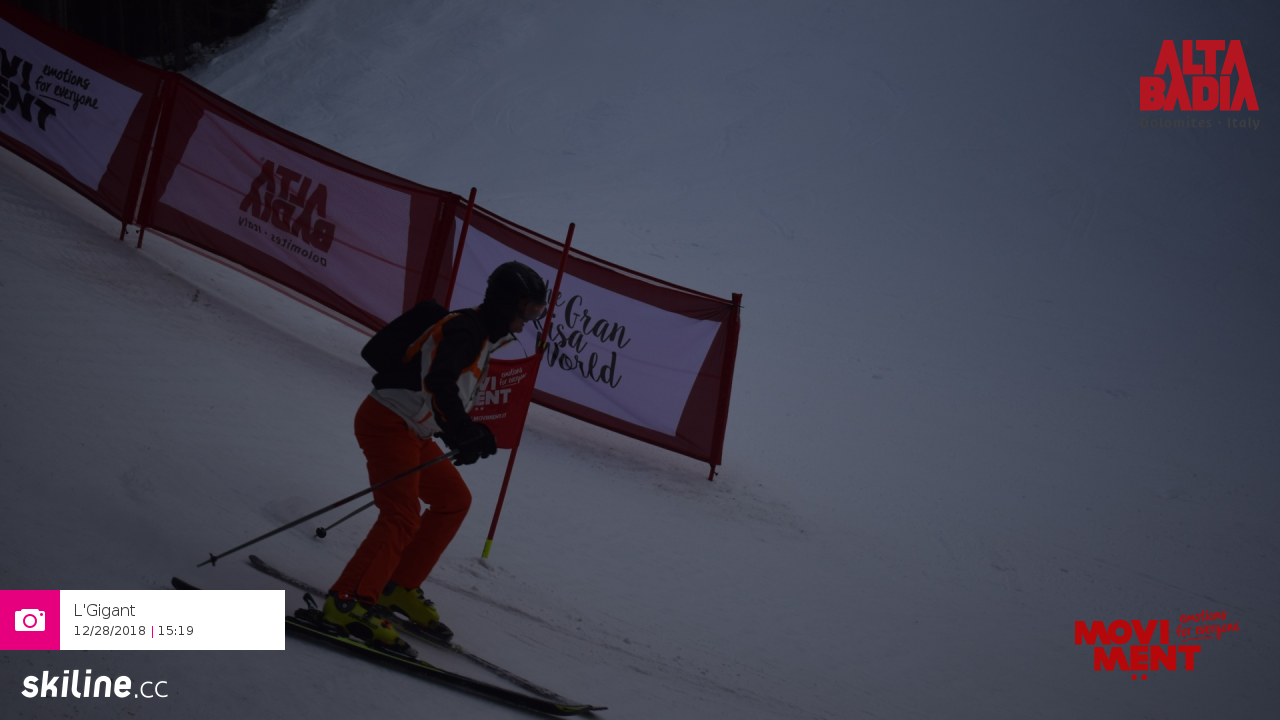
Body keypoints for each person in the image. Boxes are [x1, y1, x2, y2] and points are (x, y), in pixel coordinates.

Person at [323, 261, 549, 648]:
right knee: (401, 515)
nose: (529, 320)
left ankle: (398, 586)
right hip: (388, 421)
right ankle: (348, 603)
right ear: (507, 303)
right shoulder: (465, 330)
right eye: (529, 310)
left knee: (453, 500)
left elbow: (440, 390)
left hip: (414, 429)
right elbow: (437, 381)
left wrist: (466, 433)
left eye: (537, 313)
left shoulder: (483, 335)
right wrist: (461, 429)